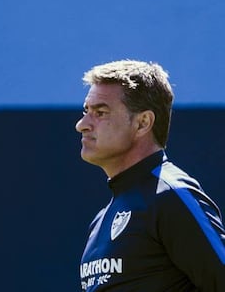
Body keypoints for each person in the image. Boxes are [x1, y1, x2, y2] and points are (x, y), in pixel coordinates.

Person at [75, 60, 225, 291]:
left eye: (100, 112)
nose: (82, 124)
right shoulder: (100, 221)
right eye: (86, 111)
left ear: (143, 123)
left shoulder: (172, 196)